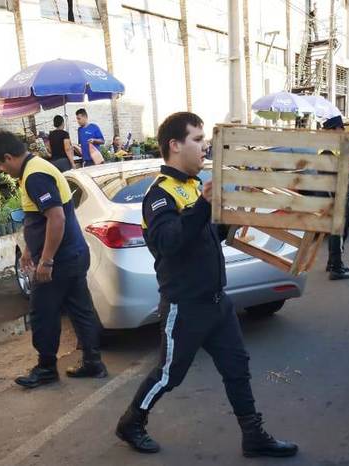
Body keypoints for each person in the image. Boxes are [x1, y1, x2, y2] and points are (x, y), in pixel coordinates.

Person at [115, 112, 298, 458]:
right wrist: (203, 205)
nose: (205, 147)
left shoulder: (194, 186)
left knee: (237, 367)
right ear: (175, 145)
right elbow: (170, 243)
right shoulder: (159, 196)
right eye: (197, 140)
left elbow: (207, 236)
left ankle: (253, 435)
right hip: (185, 307)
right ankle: (131, 422)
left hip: (217, 302)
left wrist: (225, 220)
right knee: (170, 375)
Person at [0, 131, 107, 388]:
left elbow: (56, 218)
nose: (1, 169)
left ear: (8, 157)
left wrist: (47, 261)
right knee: (81, 310)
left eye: (0, 164)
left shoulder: (35, 176)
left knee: (42, 313)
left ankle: (46, 368)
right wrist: (30, 251)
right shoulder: (38, 167)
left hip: (60, 260)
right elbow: (38, 219)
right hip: (73, 253)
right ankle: (93, 362)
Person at [322, 115, 349, 280]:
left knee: (337, 232)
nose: (343, 130)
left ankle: (332, 262)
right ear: (333, 130)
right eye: (341, 127)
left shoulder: (335, 147)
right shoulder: (328, 151)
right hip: (335, 197)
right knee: (338, 233)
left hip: (336, 195)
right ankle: (336, 267)